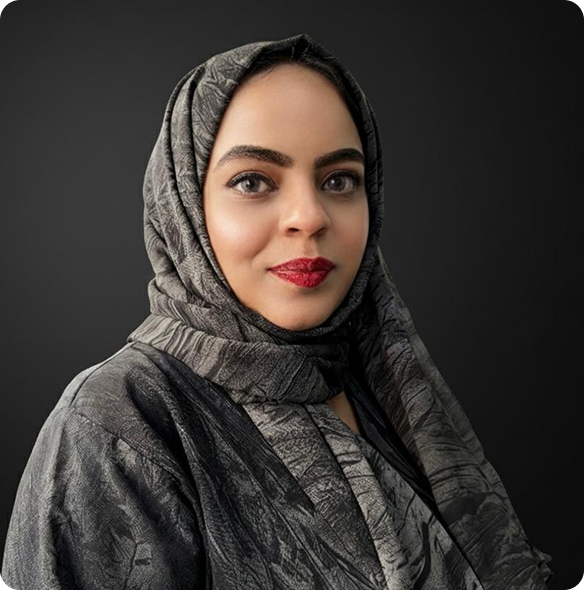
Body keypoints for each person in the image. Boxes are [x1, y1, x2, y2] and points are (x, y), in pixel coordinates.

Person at [1, 33, 553, 590]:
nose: (309, 217)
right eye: (253, 181)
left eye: (339, 180)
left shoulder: (380, 378)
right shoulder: (121, 424)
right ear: (185, 206)